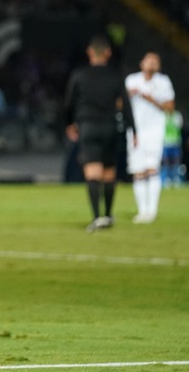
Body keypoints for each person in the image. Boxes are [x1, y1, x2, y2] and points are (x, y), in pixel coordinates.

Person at [65, 36, 134, 232]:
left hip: (88, 126)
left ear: (89, 52)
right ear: (108, 53)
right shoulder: (115, 75)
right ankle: (108, 214)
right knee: (109, 173)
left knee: (92, 173)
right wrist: (133, 129)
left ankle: (97, 217)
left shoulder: (79, 75)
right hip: (110, 127)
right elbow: (126, 105)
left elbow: (68, 103)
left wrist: (70, 123)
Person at [125, 51, 175, 222]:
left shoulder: (163, 81)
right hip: (135, 131)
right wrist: (127, 96)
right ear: (142, 63)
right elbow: (119, 102)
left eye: (155, 61)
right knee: (138, 170)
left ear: (159, 66)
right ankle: (142, 211)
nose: (151, 63)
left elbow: (170, 107)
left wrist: (149, 98)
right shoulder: (131, 80)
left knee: (152, 168)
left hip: (154, 131)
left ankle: (152, 211)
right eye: (149, 60)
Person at [162, 109, 184, 187]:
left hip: (176, 142)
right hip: (166, 143)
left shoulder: (177, 115)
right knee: (166, 162)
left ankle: (175, 178)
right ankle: (166, 179)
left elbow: (180, 126)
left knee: (176, 161)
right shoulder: (164, 115)